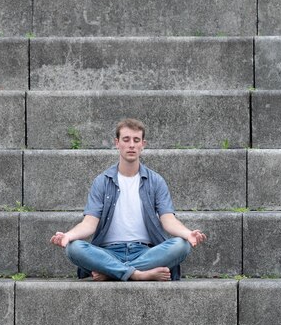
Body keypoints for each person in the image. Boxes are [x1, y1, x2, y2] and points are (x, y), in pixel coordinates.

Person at [50, 118, 206, 281]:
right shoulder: (102, 181)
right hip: (109, 252)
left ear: (142, 144)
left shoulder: (156, 181)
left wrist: (188, 233)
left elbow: (168, 220)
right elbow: (89, 224)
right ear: (117, 143)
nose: (131, 145)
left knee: (181, 245)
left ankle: (112, 272)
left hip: (145, 252)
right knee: (73, 248)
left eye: (136, 140)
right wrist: (68, 235)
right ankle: (138, 275)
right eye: (126, 139)